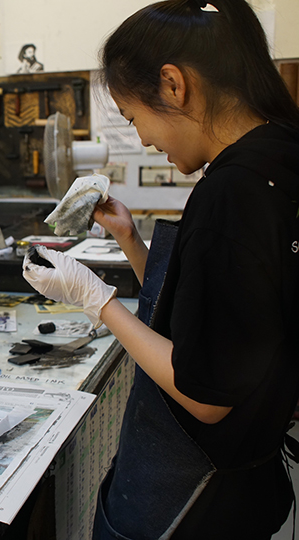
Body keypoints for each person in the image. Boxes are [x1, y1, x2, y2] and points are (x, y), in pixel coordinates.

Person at [21, 1, 299, 538]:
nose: (144, 138)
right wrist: (129, 239)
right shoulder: (279, 159)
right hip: (249, 483)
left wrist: (96, 299)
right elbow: (215, 314)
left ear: (173, 85)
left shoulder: (232, 194)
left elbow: (207, 394)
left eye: (133, 118)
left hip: (197, 500)